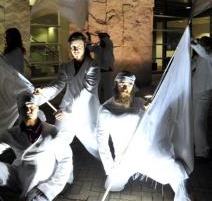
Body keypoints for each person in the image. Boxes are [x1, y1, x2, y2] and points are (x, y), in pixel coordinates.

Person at [97, 71, 190, 201]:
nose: (125, 88)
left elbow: (154, 120)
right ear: (115, 85)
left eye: (129, 85)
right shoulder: (105, 109)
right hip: (123, 160)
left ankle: (183, 197)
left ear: (133, 86)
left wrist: (151, 109)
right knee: (113, 186)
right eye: (121, 84)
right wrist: (110, 168)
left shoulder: (139, 102)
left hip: (145, 153)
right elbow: (102, 143)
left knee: (173, 169)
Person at [34, 32, 100, 159]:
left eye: (78, 46)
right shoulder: (66, 66)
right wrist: (44, 91)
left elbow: (87, 91)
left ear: (85, 46)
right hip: (65, 110)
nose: (75, 50)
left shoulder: (93, 66)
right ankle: (66, 176)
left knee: (96, 145)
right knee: (58, 141)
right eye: (72, 47)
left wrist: (70, 113)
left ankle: (111, 168)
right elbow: (58, 85)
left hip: (86, 113)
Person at [191, 36, 212, 162]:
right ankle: (203, 146)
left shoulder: (209, 55)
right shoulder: (201, 56)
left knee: (198, 123)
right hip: (198, 90)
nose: (201, 44)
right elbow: (193, 64)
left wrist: (192, 43)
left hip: (204, 92)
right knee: (200, 122)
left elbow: (203, 53)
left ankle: (202, 153)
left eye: (202, 42)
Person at [87, 32, 115, 103]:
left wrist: (103, 37)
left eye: (103, 39)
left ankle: (109, 105)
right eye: (102, 39)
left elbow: (107, 42)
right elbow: (89, 48)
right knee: (97, 90)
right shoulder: (97, 48)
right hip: (99, 72)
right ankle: (96, 105)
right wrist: (89, 37)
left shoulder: (109, 46)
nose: (102, 40)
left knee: (108, 91)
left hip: (107, 72)